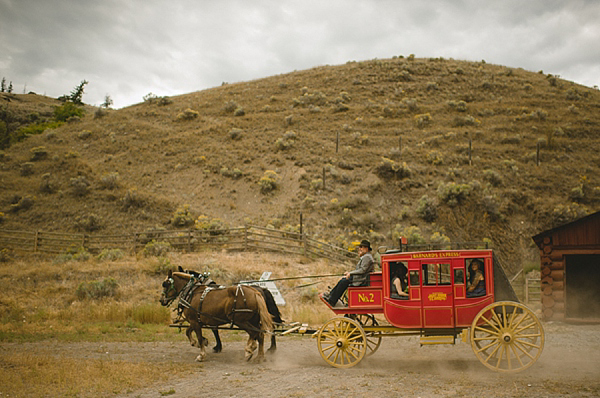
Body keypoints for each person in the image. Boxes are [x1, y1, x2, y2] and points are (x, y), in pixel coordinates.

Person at [323, 239, 375, 307]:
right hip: (360, 278)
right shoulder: (366, 257)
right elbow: (360, 270)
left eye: (361, 247)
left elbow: (362, 270)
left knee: (343, 282)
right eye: (360, 247)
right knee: (343, 280)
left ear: (366, 248)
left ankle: (332, 299)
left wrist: (350, 273)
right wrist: (350, 273)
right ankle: (331, 295)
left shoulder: (367, 257)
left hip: (361, 280)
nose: (360, 249)